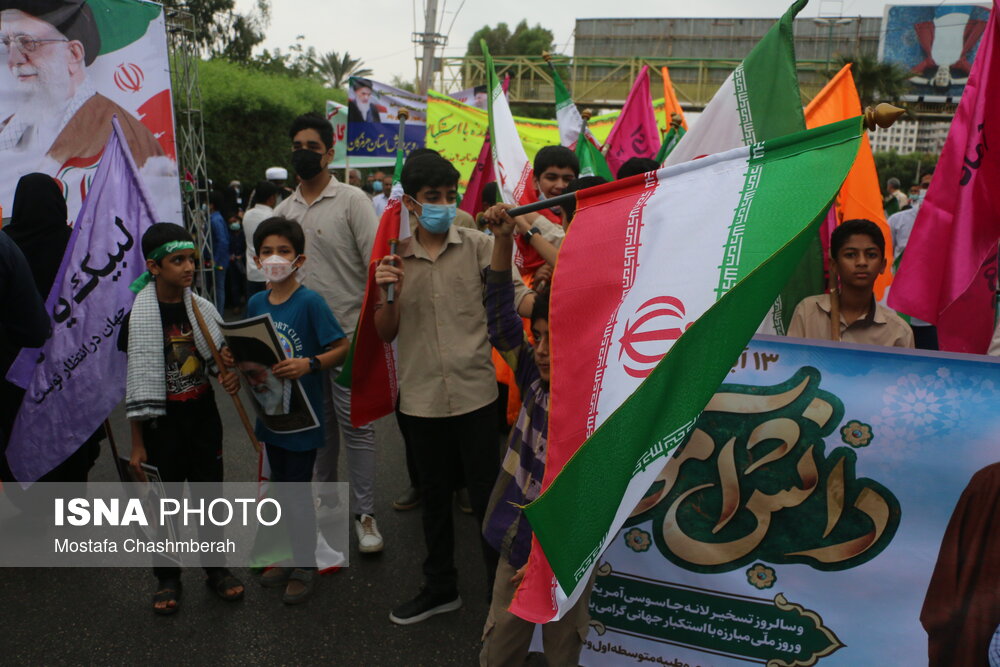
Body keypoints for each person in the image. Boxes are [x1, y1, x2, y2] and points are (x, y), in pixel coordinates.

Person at [375, 153, 534, 625]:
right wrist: (388, 292)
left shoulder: (481, 246)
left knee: (489, 503)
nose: (444, 205)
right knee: (435, 502)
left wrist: (548, 294)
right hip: (420, 402)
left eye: (450, 195)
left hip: (478, 398)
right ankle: (440, 586)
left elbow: (516, 298)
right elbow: (385, 332)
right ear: (410, 202)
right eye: (433, 198)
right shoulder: (392, 257)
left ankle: (497, 598)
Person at [477, 203, 596, 666]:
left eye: (555, 339)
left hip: (570, 555)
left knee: (564, 651)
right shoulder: (529, 373)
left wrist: (555, 557)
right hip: (518, 542)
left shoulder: (599, 401)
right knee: (501, 647)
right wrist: (505, 239)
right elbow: (500, 317)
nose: (542, 351)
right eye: (538, 336)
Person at [273, 112, 383, 553]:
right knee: (316, 433)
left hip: (349, 339)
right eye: (297, 145)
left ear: (329, 154)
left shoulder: (353, 201)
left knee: (357, 429)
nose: (303, 152)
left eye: (312, 147)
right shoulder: (284, 212)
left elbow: (375, 268)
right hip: (299, 345)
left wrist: (373, 332)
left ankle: (365, 515)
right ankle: (324, 509)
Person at [121, 222, 244, 615]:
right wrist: (137, 444)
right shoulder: (137, 320)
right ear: (154, 267)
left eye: (191, 258)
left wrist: (227, 363)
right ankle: (167, 577)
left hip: (203, 419)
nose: (189, 267)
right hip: (161, 426)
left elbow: (222, 356)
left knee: (210, 498)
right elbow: (134, 385)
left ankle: (216, 570)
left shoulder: (203, 310)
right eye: (178, 261)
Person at [245, 216, 349, 603]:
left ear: (299, 259)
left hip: (304, 419)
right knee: (282, 492)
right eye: (268, 251)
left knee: (298, 491)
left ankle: (306, 563)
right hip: (271, 416)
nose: (275, 258)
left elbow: (341, 346)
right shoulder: (256, 301)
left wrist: (311, 364)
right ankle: (291, 555)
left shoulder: (310, 302)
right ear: (257, 259)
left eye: (283, 251)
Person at [0, 0, 171, 219]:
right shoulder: (9, 129)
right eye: (7, 44)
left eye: (27, 43)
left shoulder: (124, 138)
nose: (14, 60)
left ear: (73, 54)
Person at [0, 173, 102, 483]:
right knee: (67, 436)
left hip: (13, 362)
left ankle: (30, 508)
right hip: (67, 361)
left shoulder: (8, 243)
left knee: (20, 431)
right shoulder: (73, 244)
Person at [787, 219, 914, 348]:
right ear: (834, 265)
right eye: (850, 255)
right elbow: (789, 365)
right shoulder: (807, 312)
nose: (862, 262)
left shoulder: (899, 332)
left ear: (882, 265)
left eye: (871, 255)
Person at [887, 170, 937, 350]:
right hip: (898, 311)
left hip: (932, 318)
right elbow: (886, 261)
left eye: (935, 185)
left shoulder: (952, 225)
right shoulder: (896, 221)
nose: (929, 190)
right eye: (925, 186)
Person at [242, 181, 278, 300]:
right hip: (269, 274)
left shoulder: (247, 215)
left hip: (252, 271)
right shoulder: (273, 217)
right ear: (272, 198)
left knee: (254, 310)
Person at [208, 191, 229, 314]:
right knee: (216, 288)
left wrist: (215, 259)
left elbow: (222, 241)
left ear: (211, 204)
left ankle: (218, 314)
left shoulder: (215, 220)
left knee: (218, 288)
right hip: (218, 259)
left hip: (218, 261)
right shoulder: (216, 218)